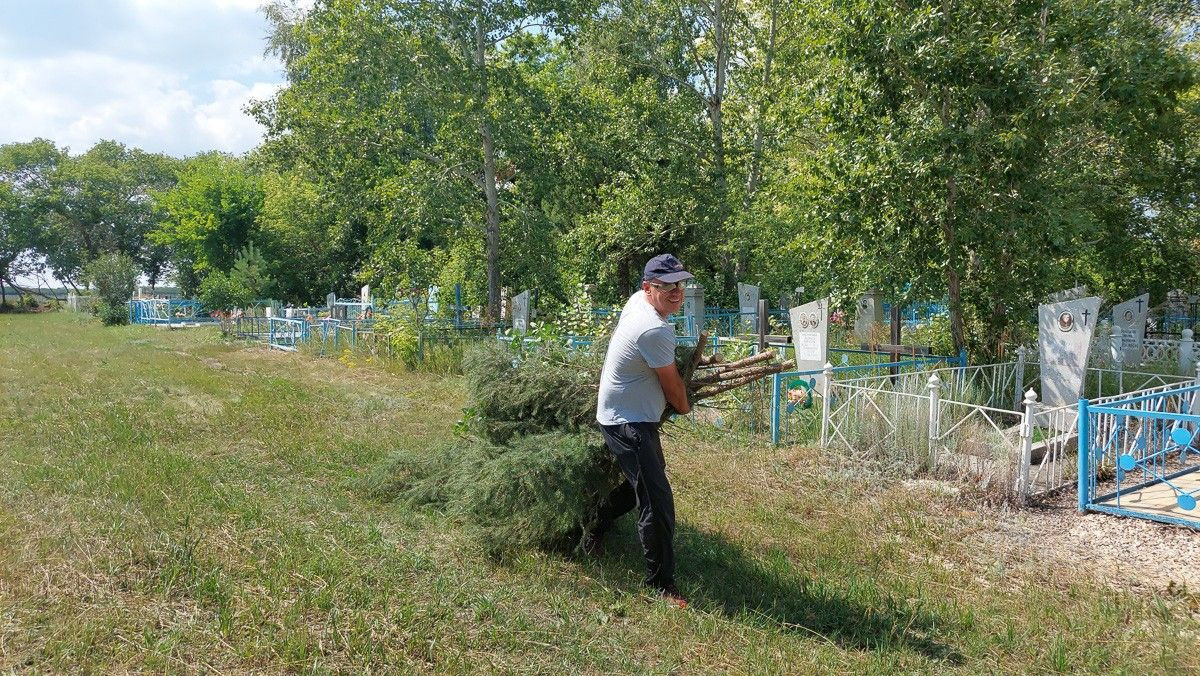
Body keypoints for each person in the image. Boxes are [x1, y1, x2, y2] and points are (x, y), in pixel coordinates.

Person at [589, 253, 693, 609]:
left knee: (642, 486)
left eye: (680, 284)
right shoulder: (653, 328)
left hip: (624, 413)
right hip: (627, 421)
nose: (677, 292)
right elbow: (675, 391)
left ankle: (591, 525)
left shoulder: (638, 302)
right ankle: (662, 585)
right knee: (657, 502)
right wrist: (684, 404)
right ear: (648, 288)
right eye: (667, 287)